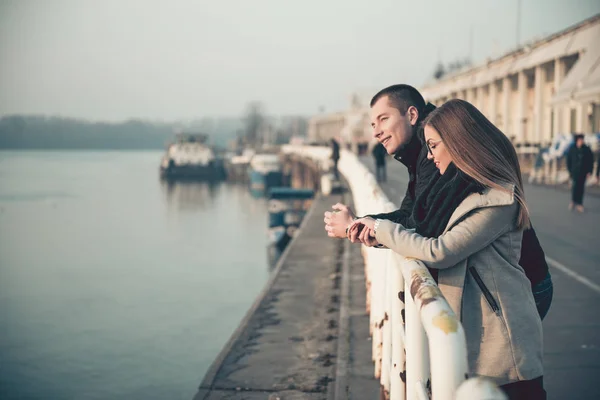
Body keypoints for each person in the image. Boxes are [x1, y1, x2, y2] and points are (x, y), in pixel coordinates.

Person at [350, 99, 544, 398]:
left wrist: (380, 228)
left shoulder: (496, 197)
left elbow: (440, 250)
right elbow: (419, 227)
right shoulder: (456, 190)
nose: (430, 155)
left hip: (503, 347)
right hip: (476, 335)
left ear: (458, 143)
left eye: (434, 146)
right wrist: (376, 234)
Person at [323, 84, 552, 320]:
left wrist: (367, 226)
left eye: (383, 119)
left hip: (521, 287)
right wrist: (365, 224)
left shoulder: (466, 180)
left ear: (412, 115)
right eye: (373, 124)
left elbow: (428, 236)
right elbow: (412, 217)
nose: (376, 132)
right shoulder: (426, 157)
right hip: (501, 288)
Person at [566, 133, 594, 212]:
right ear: (577, 141)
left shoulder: (586, 149)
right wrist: (570, 170)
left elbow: (590, 161)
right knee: (575, 187)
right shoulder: (572, 149)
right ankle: (573, 201)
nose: (581, 141)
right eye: (579, 140)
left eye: (582, 140)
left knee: (581, 188)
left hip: (583, 171)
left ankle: (579, 203)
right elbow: (569, 160)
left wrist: (589, 171)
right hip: (574, 171)